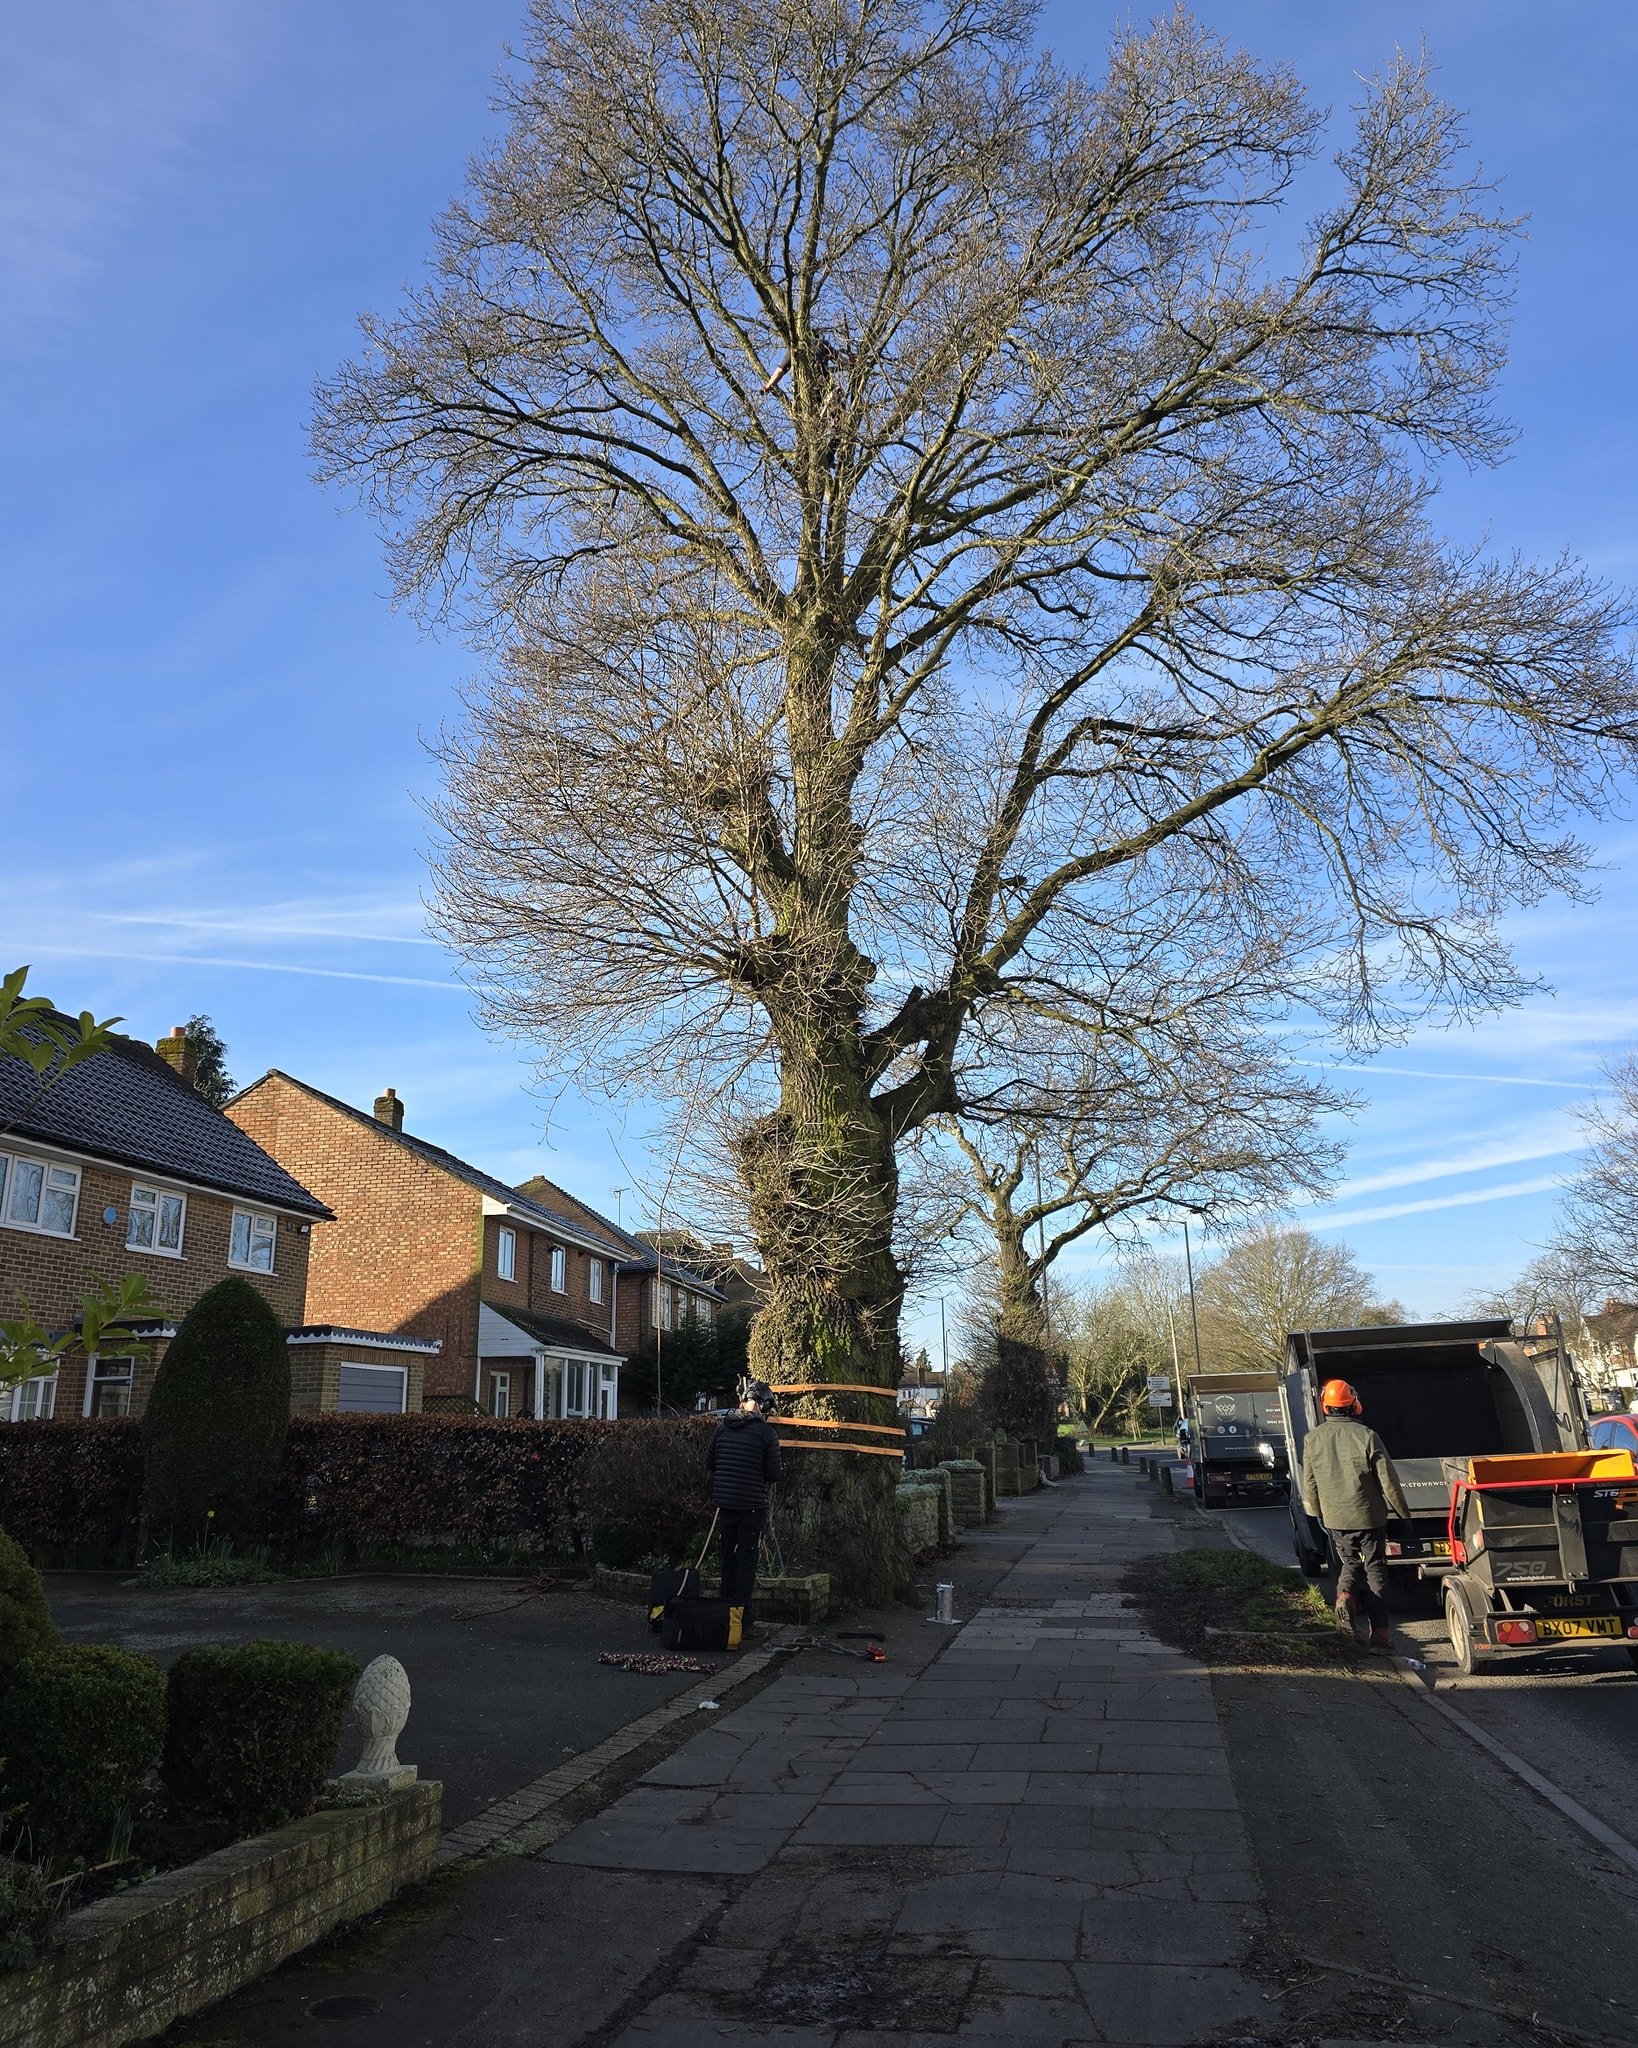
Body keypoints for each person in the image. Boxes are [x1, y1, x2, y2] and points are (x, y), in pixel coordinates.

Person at [1300, 1378, 1410, 1652]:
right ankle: (1381, 1637)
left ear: (1325, 1408)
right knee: (1374, 1569)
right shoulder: (1367, 1436)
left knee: (1349, 1562)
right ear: (1355, 1405)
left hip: (1335, 1517)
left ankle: (1345, 1597)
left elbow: (1309, 1482)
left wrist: (1315, 1513)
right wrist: (1403, 1513)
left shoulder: (1312, 1439)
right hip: (1369, 1516)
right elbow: (1388, 1481)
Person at [705, 1379, 782, 1634]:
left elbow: (710, 1462)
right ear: (762, 1405)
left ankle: (724, 1614)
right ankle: (742, 1620)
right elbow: (773, 1474)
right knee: (747, 1561)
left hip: (725, 1504)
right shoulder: (766, 1433)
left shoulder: (723, 1427)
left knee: (727, 1558)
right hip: (751, 1506)